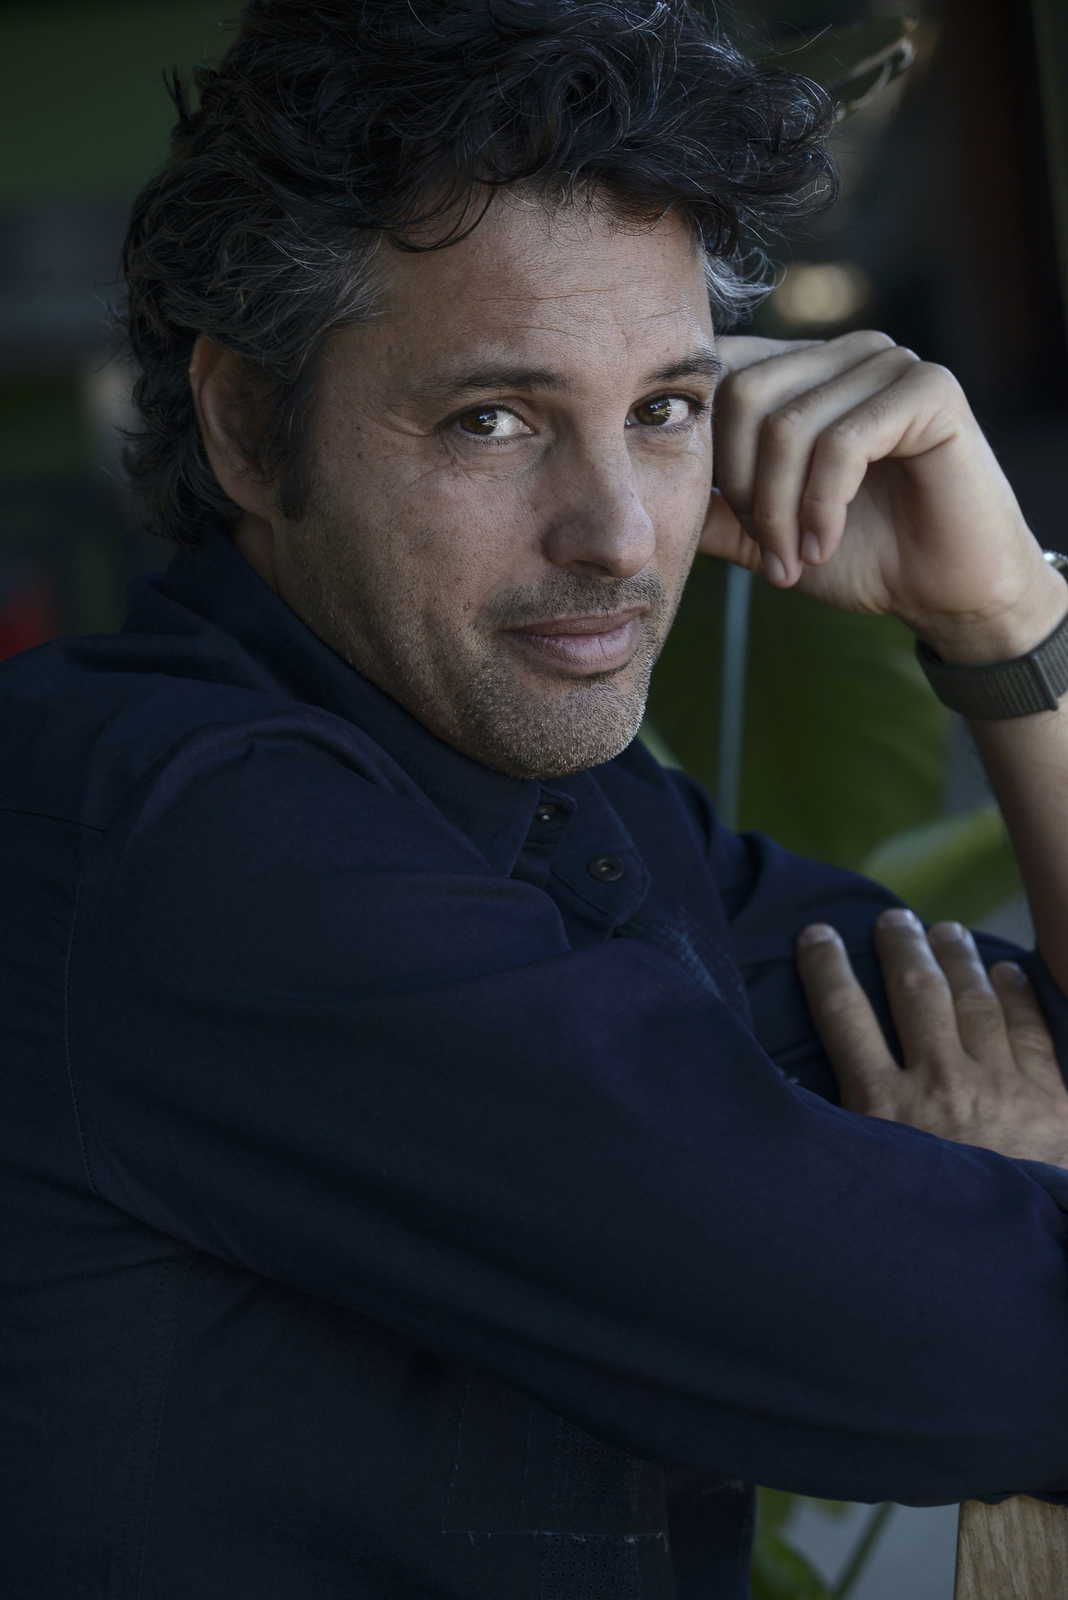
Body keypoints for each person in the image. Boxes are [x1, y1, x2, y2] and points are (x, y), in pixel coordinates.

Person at [3, 2, 1068, 1595]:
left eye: (664, 410)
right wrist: (1017, 1192)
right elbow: (1006, 1356)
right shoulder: (191, 839)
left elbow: (1031, 1061)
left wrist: (1005, 626)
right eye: (492, 420)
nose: (621, 535)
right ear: (247, 425)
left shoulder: (551, 789)